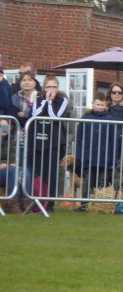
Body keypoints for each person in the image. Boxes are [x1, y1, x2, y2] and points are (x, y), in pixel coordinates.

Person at [27, 75, 70, 212]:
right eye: (49, 87)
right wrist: (45, 101)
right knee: (37, 172)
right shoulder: (38, 99)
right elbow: (34, 114)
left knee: (50, 173)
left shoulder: (62, 100)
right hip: (38, 140)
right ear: (44, 88)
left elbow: (54, 117)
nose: (51, 90)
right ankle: (37, 201)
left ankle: (49, 204)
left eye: (54, 87)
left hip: (53, 142)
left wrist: (50, 102)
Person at [72, 93, 120, 211]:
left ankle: (100, 206)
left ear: (106, 105)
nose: (99, 107)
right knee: (88, 181)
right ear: (93, 104)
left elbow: (114, 140)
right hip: (88, 157)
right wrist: (78, 155)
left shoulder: (110, 119)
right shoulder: (85, 118)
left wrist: (114, 158)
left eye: (102, 104)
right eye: (97, 104)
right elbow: (79, 138)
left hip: (105, 158)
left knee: (102, 182)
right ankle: (84, 205)